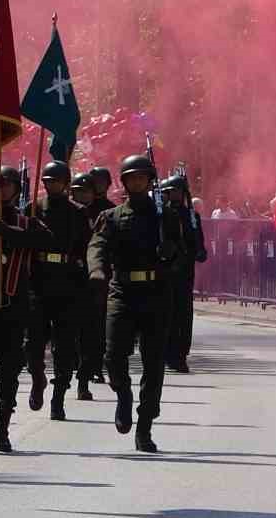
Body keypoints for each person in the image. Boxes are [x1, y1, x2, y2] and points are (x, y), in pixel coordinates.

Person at [88, 154, 184, 454]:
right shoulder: (112, 217)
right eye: (132, 177)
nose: (137, 182)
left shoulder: (166, 217)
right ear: (125, 182)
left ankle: (144, 427)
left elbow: (183, 253)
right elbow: (97, 246)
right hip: (123, 292)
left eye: (142, 177)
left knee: (154, 364)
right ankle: (124, 395)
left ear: (150, 181)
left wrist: (171, 252)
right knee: (113, 354)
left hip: (156, 293)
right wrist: (97, 270)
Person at [0, 166, 50, 451]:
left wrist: (10, 232)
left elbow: (46, 240)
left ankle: (3, 426)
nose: (2, 191)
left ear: (18, 189)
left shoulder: (26, 221)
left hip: (13, 308)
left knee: (9, 371)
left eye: (8, 185)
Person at [23, 160, 93, 424]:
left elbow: (86, 249)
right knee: (32, 344)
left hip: (67, 284)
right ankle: (38, 378)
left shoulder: (78, 213)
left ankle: (59, 397)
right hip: (38, 282)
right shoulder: (33, 208)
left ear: (66, 183)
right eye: (47, 181)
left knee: (65, 348)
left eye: (56, 181)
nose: (51, 185)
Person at [160, 174, 207, 372]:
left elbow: (198, 239)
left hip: (185, 271)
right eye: (171, 192)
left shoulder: (191, 216)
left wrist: (200, 250)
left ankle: (180, 353)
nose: (175, 195)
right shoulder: (160, 215)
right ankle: (167, 353)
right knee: (166, 313)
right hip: (166, 271)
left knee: (184, 314)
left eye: (178, 191)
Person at [82, 165, 116, 383]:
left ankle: (96, 365)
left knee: (97, 323)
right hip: (78, 270)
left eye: (104, 181)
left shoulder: (111, 210)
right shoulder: (80, 207)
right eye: (96, 181)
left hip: (101, 274)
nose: (100, 185)